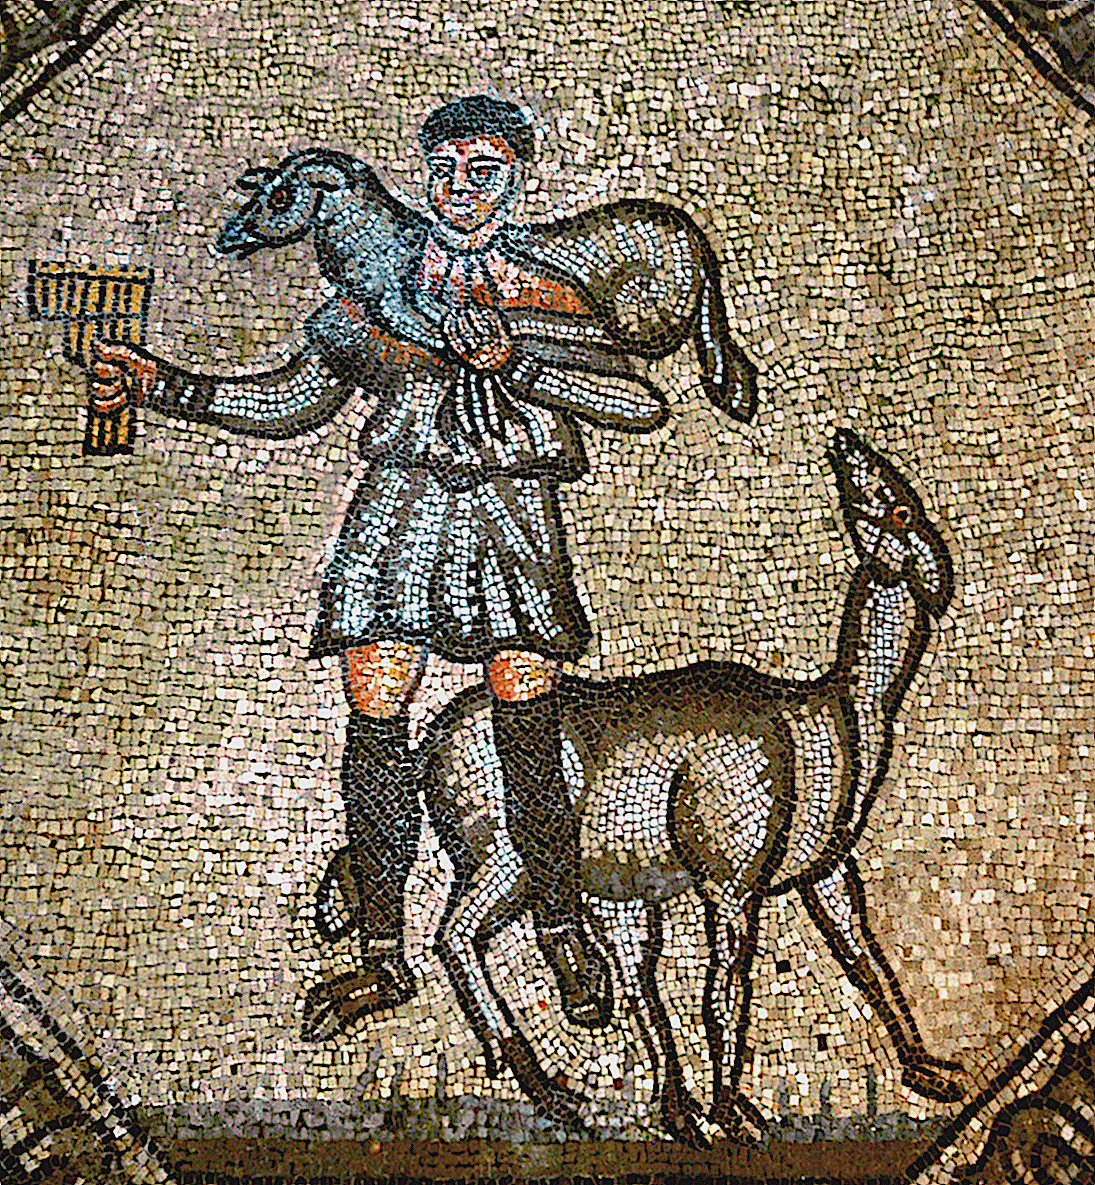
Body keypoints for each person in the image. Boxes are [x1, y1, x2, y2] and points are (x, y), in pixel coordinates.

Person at [91, 96, 673, 1034]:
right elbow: (291, 401)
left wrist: (512, 362)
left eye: (482, 170)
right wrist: (168, 387)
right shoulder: (378, 285)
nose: (459, 187)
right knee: (377, 710)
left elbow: (636, 404)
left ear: (515, 179)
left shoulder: (543, 286)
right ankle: (379, 950)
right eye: (443, 168)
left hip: (509, 510)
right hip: (400, 508)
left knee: (526, 714)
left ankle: (562, 922)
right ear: (421, 173)